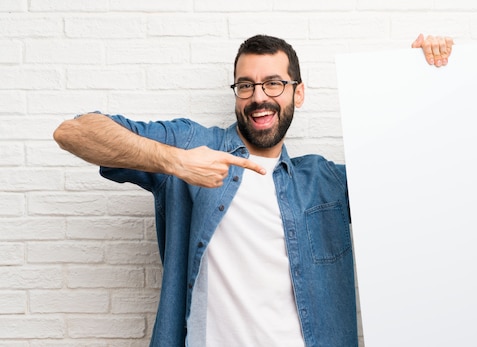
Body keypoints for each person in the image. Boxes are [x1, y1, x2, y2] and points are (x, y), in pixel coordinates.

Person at [53, 33, 453, 347]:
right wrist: (174, 161)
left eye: (273, 83)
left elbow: (419, 177)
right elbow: (74, 132)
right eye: (246, 86)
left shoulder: (324, 180)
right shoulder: (193, 145)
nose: (259, 96)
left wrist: (416, 78)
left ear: (298, 92)